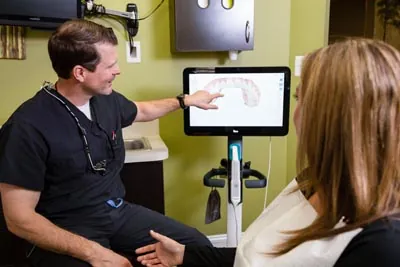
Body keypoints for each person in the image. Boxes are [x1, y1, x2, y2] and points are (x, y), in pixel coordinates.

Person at [135, 38, 400, 267]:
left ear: (334, 118)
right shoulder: (313, 181)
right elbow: (260, 256)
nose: (296, 113)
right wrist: (186, 255)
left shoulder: (382, 244)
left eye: (300, 99)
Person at [0, 19, 222, 267]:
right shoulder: (26, 128)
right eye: (111, 65)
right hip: (66, 226)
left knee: (196, 248)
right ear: (80, 73)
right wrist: (94, 253)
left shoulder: (105, 99)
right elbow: (19, 219)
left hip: (116, 212)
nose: (118, 71)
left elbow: (141, 110)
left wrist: (185, 101)